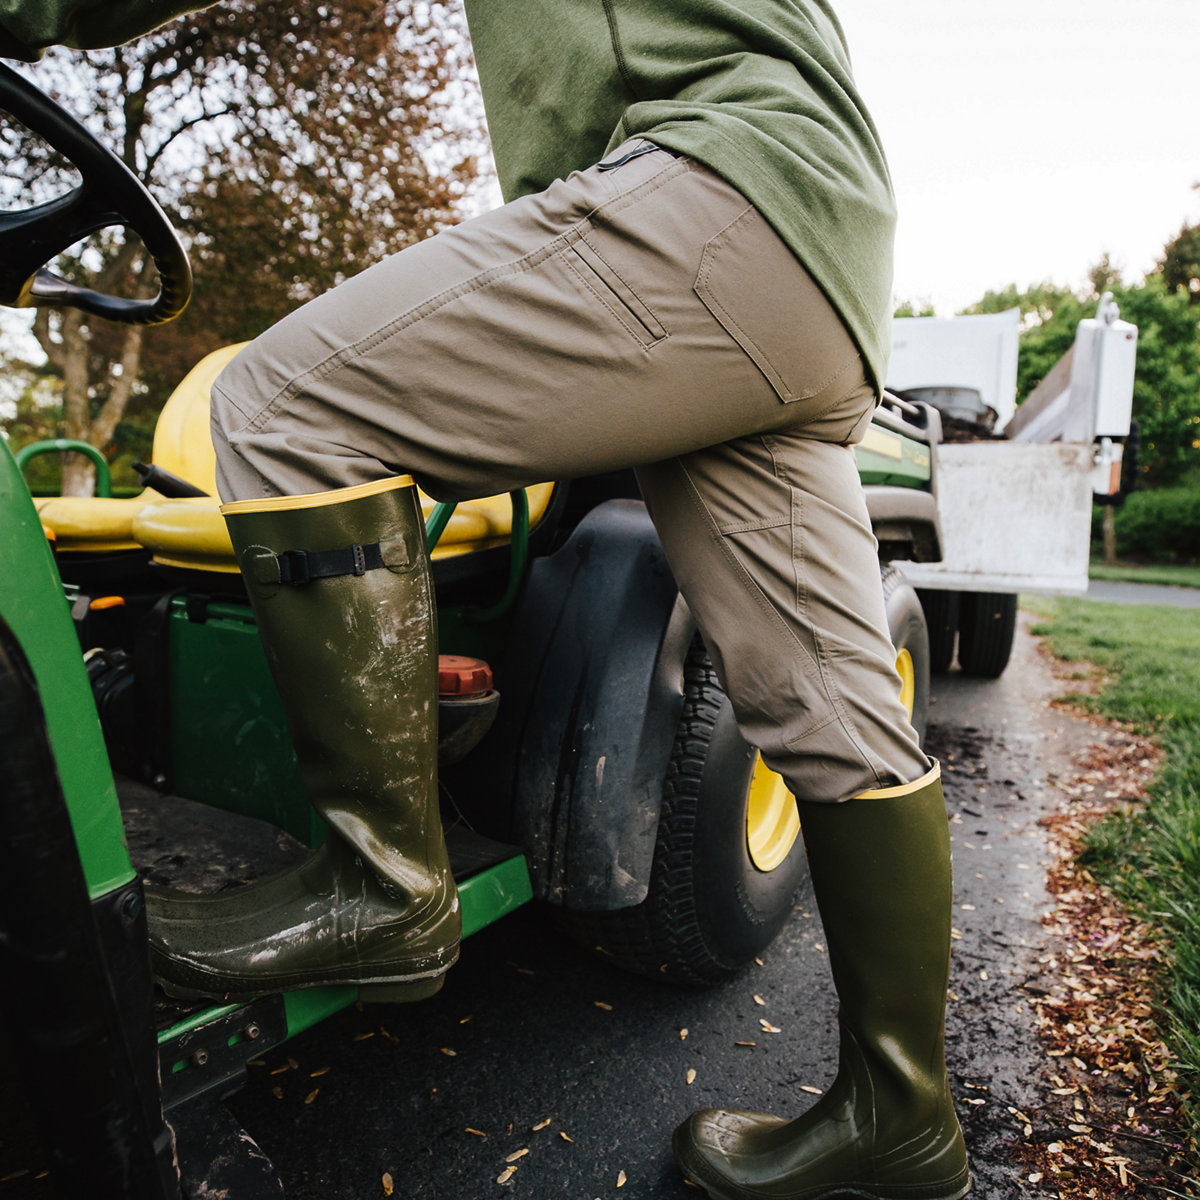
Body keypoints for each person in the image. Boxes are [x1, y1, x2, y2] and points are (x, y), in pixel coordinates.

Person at [3, 3, 971, 1196]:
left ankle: (381, 884)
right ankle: (903, 1117)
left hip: (710, 188)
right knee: (834, 710)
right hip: (813, 242)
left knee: (288, 412)